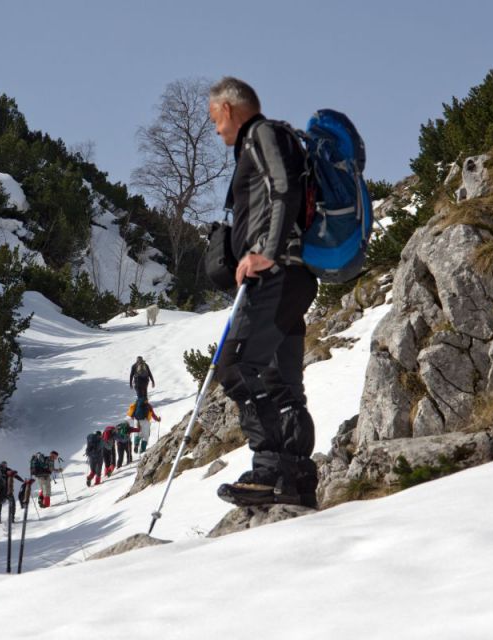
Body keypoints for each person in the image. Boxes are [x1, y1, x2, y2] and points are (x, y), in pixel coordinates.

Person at [207, 77, 319, 508]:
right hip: (294, 278)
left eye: (214, 118)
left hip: (277, 275)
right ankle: (296, 478)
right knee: (281, 381)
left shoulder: (261, 134)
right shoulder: (272, 137)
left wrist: (265, 254)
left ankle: (269, 468)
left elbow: (284, 188)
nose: (215, 129)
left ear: (229, 109)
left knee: (233, 366)